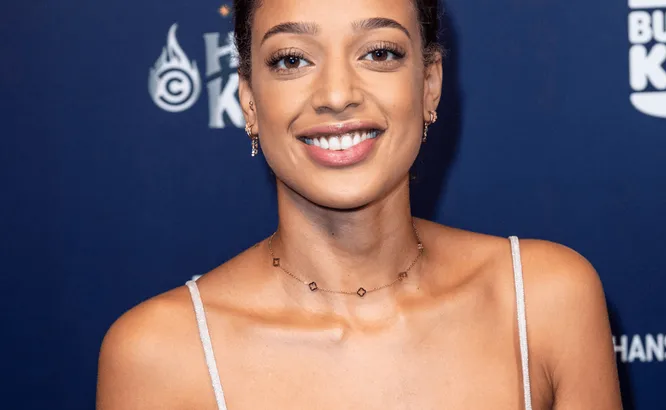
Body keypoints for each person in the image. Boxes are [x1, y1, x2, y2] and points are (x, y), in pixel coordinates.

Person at [96, 0, 623, 408]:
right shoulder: (161, 352)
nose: (337, 94)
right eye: (292, 59)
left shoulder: (544, 300)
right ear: (249, 102)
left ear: (430, 84)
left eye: (379, 53)